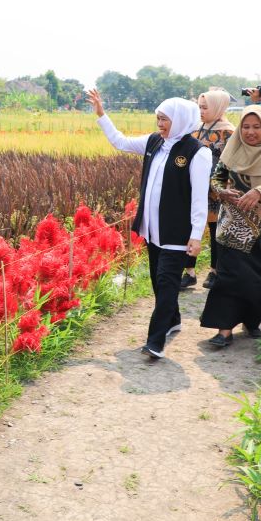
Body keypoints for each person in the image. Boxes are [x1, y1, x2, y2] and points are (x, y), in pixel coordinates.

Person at [88, 88, 211, 359]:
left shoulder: (197, 153)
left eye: (165, 119)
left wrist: (196, 235)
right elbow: (120, 142)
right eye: (158, 118)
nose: (160, 124)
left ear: (180, 120)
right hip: (153, 230)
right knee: (159, 281)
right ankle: (174, 320)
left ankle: (155, 341)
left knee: (167, 284)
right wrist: (101, 114)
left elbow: (200, 199)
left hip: (177, 233)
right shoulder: (155, 142)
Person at [200, 106, 261, 346]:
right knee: (229, 278)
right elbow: (217, 177)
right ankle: (224, 330)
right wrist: (222, 191)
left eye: (256, 126)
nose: (251, 132)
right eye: (246, 126)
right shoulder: (232, 148)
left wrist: (260, 191)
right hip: (235, 225)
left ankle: (251, 322)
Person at [182, 88, 234, 290]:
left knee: (215, 232)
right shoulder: (195, 128)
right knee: (190, 229)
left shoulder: (229, 131)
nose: (201, 111)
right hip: (194, 188)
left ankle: (214, 271)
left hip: (216, 191)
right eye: (199, 107)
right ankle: (189, 272)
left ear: (218, 107)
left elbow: (232, 162)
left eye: (205, 107)